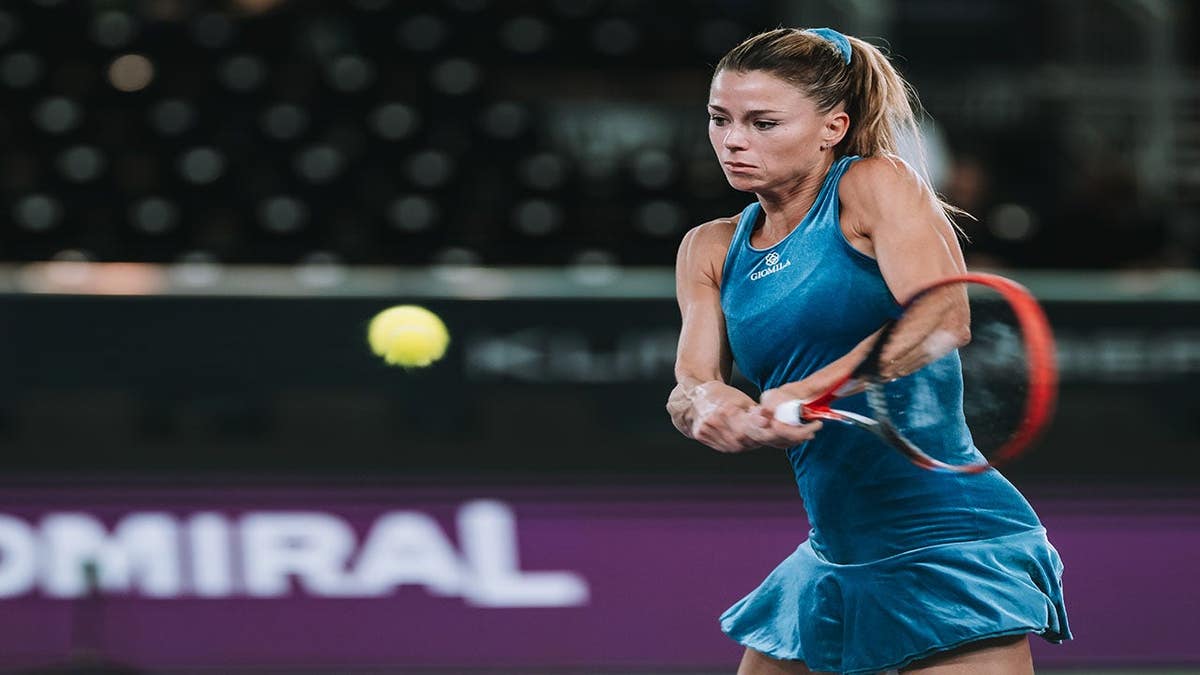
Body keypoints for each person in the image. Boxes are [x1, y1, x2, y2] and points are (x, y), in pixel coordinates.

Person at [666, 27, 1070, 674]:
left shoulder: (874, 184)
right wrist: (710, 404)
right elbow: (690, 378)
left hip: (949, 542)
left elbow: (945, 315)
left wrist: (811, 388)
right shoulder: (708, 248)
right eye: (720, 119)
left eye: (763, 122)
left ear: (833, 126)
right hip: (834, 553)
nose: (733, 140)